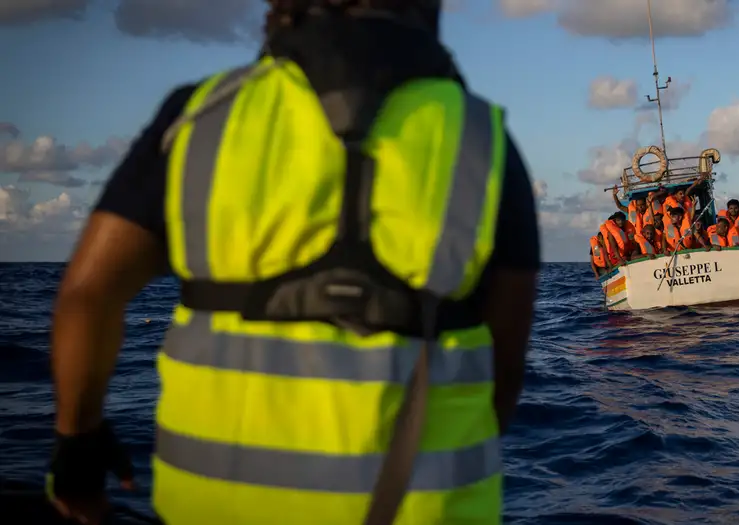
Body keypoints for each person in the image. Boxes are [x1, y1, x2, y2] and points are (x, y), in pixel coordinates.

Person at [46, 2, 541, 525]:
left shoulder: (202, 115)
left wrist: (77, 441)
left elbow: (88, 296)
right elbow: (503, 370)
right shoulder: (485, 141)